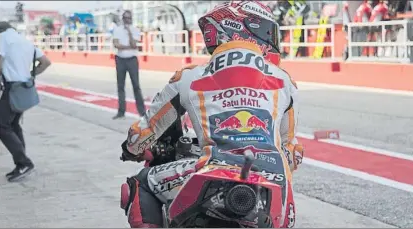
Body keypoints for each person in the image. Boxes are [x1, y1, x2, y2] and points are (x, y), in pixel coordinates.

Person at [119, 1, 304, 228]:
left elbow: (143, 133)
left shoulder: (188, 78)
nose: (270, 39)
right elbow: (293, 153)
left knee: (140, 184)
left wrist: (131, 149)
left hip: (215, 172)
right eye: (265, 31)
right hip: (274, 189)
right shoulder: (285, 81)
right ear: (243, 28)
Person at [0, 21, 51, 182]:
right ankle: (20, 163)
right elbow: (45, 62)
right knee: (13, 124)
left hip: (12, 88)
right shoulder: (25, 41)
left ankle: (24, 162)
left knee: (1, 126)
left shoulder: (2, 38)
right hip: (24, 88)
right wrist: (29, 74)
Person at [112, 10, 146, 119]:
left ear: (131, 18)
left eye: (129, 18)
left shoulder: (135, 30)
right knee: (120, 86)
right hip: (120, 59)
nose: (127, 20)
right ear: (122, 19)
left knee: (136, 85)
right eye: (125, 18)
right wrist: (129, 47)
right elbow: (116, 44)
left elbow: (134, 45)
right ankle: (121, 111)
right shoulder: (117, 30)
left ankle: (142, 112)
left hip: (132, 60)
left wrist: (129, 33)